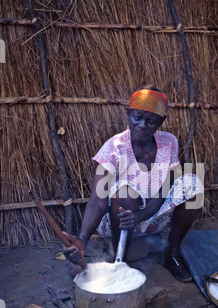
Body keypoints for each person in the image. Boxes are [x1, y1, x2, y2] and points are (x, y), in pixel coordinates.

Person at [63, 85, 204, 282]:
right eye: (137, 117)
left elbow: (165, 189)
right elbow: (97, 200)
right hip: (119, 222)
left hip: (152, 216)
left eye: (151, 121)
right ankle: (121, 258)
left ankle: (170, 253)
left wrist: (140, 216)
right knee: (125, 193)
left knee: (192, 184)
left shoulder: (169, 142)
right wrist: (83, 240)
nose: (142, 125)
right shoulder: (114, 147)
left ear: (160, 122)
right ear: (128, 113)